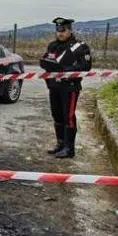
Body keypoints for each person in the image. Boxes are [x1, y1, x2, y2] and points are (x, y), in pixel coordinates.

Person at [39, 17, 92, 159]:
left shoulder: (80, 47)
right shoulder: (52, 46)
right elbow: (45, 61)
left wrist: (66, 70)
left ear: (70, 30)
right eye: (58, 30)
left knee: (68, 117)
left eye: (63, 30)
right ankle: (60, 144)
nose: (60, 33)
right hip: (54, 86)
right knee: (56, 115)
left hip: (69, 87)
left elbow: (85, 67)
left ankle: (69, 149)